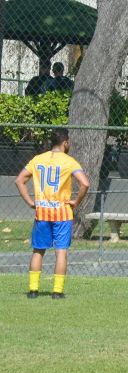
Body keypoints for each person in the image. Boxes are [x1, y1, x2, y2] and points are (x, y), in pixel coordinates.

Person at [14, 128, 90, 299]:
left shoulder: (38, 159)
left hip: (42, 213)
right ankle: (57, 292)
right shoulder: (69, 162)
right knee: (61, 251)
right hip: (62, 214)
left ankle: (33, 291)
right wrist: (76, 202)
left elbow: (19, 180)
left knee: (38, 251)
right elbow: (85, 183)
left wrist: (30, 202)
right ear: (65, 143)